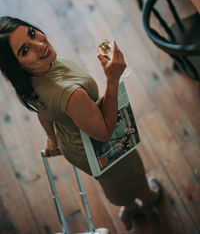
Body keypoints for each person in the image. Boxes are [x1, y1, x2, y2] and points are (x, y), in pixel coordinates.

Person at [0, 16, 162, 231]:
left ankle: (129, 206)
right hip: (98, 146)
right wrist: (112, 78)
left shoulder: (32, 78)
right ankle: (148, 199)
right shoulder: (69, 93)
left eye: (32, 33)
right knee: (129, 172)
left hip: (73, 144)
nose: (40, 45)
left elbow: (42, 111)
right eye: (24, 50)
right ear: (16, 65)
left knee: (112, 181)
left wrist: (51, 137)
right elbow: (105, 133)